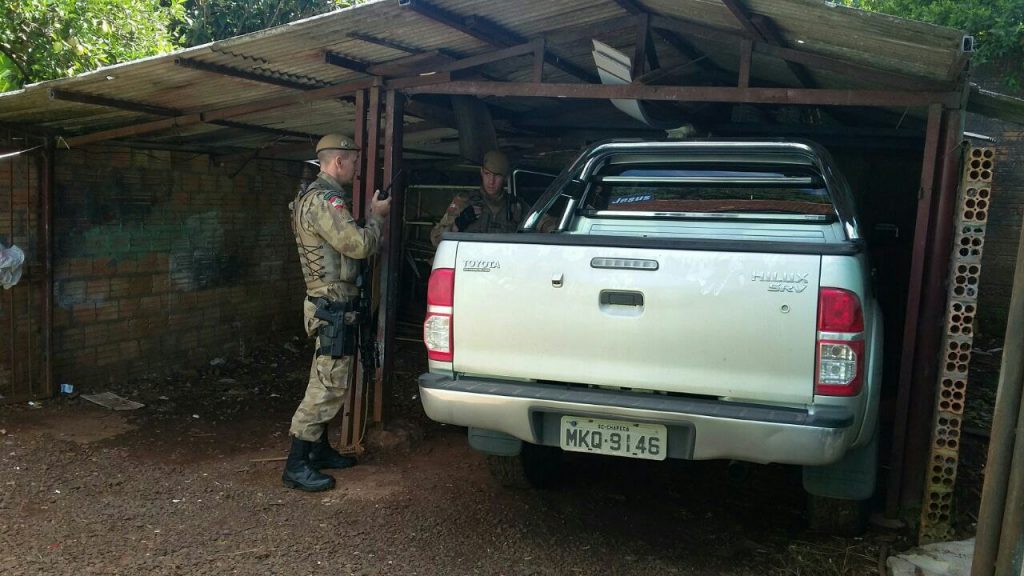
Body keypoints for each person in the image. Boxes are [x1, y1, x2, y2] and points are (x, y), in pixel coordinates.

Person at [284, 133, 391, 492]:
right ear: (338, 162)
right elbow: (359, 245)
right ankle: (296, 464)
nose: (356, 169)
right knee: (327, 384)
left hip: (330, 303)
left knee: (330, 377)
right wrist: (377, 219)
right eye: (355, 163)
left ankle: (319, 451)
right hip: (331, 304)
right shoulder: (325, 200)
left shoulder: (312, 198)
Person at [430, 150, 531, 247]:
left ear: (505, 178)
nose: (491, 181)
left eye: (497, 176)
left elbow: (544, 225)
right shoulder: (464, 201)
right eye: (487, 174)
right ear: (482, 172)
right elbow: (436, 239)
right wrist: (458, 224)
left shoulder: (517, 206)